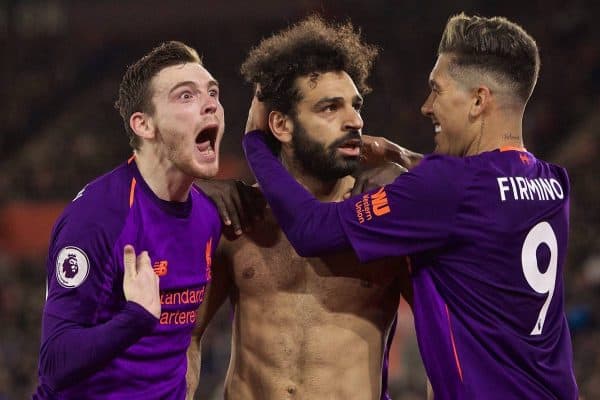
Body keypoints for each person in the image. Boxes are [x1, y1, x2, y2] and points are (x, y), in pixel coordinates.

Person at [242, 12, 579, 400]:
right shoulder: (553, 183)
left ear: (478, 100)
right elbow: (475, 190)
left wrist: (254, 141)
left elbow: (311, 229)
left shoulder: (445, 188)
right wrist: (401, 154)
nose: (426, 106)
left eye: (437, 89)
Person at [186, 16, 413, 400]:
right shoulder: (238, 217)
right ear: (281, 125)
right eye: (330, 108)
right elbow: (186, 336)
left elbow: (447, 334)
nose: (355, 120)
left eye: (355, 106)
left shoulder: (381, 216)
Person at [34, 41, 224, 399]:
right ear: (144, 124)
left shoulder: (208, 217)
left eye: (212, 93)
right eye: (186, 96)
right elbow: (54, 364)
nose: (211, 103)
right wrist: (134, 318)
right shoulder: (97, 217)